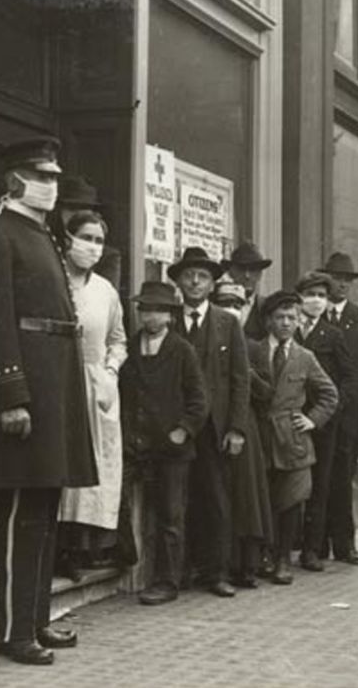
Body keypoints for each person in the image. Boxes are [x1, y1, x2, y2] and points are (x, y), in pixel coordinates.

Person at [0, 136, 96, 665]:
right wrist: (10, 394)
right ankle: (13, 632)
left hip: (55, 388)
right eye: (41, 176)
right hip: (27, 391)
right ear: (14, 180)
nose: (51, 185)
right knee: (22, 511)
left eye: (54, 177)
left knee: (45, 510)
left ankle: (36, 621)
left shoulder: (41, 237)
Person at [117, 282, 208, 606]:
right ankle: (125, 557)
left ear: (169, 315)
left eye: (156, 310)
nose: (149, 316)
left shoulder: (181, 350)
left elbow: (199, 400)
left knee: (170, 514)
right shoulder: (129, 347)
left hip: (171, 447)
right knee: (116, 498)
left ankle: (167, 581)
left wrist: (182, 431)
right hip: (136, 444)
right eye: (144, 309)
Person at [169, 247, 251, 597]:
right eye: (188, 275)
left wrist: (236, 428)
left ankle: (216, 572)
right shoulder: (169, 320)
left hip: (216, 428)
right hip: (178, 426)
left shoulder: (227, 323)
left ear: (212, 282)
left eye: (202, 276)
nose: (195, 281)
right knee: (177, 499)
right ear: (178, 282)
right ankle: (180, 571)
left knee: (215, 499)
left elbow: (239, 380)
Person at [56, 211, 128, 579]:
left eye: (99, 241)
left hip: (98, 383)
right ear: (68, 239)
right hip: (61, 381)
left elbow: (118, 339)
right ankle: (58, 549)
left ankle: (85, 548)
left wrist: (111, 370)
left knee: (95, 466)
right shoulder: (55, 282)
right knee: (63, 463)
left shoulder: (105, 290)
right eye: (86, 237)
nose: (92, 247)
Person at [255, 290, 339, 584]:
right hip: (262, 437)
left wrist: (311, 419)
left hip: (293, 441)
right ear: (268, 321)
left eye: (292, 318)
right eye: (280, 317)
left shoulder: (305, 357)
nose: (286, 323)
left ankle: (282, 560)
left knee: (291, 501)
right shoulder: (254, 351)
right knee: (263, 498)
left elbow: (330, 394)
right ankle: (263, 555)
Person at [211, 280, 275, 588]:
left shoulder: (252, 346)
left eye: (236, 305)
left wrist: (246, 375)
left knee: (247, 498)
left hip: (244, 426)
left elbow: (267, 392)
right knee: (221, 497)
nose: (230, 311)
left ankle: (248, 564)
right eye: (224, 304)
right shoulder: (208, 338)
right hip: (214, 425)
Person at [317, 252, 358, 565]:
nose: (340, 284)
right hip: (317, 414)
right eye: (335, 278)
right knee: (318, 477)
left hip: (349, 413)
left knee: (343, 477)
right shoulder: (313, 314)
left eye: (345, 280)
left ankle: (345, 544)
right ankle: (317, 543)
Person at [293, 271, 351, 572]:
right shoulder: (289, 329)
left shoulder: (334, 335)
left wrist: (325, 416)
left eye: (321, 296)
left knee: (320, 485)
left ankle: (312, 548)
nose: (315, 301)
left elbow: (345, 380)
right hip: (291, 419)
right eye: (310, 294)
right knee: (289, 483)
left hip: (323, 423)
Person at [55, 174, 122, 289]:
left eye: (83, 208)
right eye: (71, 208)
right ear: (61, 211)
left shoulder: (106, 256)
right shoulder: (50, 244)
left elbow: (105, 296)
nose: (77, 214)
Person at [223, 241, 273, 341]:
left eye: (253, 270)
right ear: (231, 272)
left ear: (260, 275)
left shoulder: (267, 307)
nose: (247, 276)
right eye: (241, 269)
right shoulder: (218, 304)